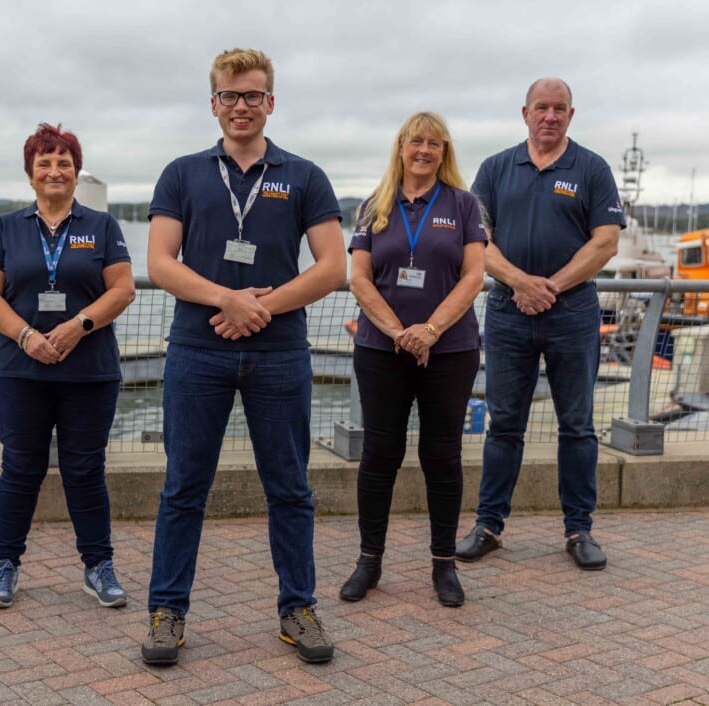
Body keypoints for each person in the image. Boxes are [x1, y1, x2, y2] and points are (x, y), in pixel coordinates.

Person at [141, 48, 346, 666]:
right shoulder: (182, 173)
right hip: (198, 351)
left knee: (289, 489)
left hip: (279, 353)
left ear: (270, 103)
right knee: (183, 487)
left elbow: (334, 267)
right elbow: (159, 263)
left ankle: (298, 609)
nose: (240, 107)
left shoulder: (304, 176)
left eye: (252, 96)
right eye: (229, 97)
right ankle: (167, 612)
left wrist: (264, 308)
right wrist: (228, 299)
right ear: (214, 104)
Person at [459, 78, 624, 571]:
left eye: (559, 108)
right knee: (504, 424)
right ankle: (488, 525)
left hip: (572, 314)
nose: (549, 116)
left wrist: (548, 286)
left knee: (577, 427)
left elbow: (606, 242)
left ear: (571, 115)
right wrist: (520, 284)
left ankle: (580, 530)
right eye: (541, 108)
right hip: (509, 314)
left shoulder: (592, 169)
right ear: (525, 113)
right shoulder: (495, 169)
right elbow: (477, 241)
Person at [0, 123, 135, 609]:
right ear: (30, 174)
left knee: (85, 470)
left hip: (88, 371)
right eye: (44, 162)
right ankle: (5, 566)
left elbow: (122, 289)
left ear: (76, 171)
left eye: (63, 161)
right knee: (20, 469)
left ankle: (98, 566)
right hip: (21, 370)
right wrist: (25, 335)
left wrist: (77, 326)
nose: (54, 170)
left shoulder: (102, 226)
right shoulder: (4, 228)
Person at [340, 112, 486, 607]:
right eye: (415, 141)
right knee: (380, 455)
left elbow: (473, 277)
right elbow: (359, 279)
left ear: (444, 153)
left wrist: (430, 330)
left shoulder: (464, 206)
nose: (424, 150)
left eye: (434, 143)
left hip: (451, 350)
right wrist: (400, 332)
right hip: (383, 350)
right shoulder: (372, 207)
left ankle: (444, 565)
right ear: (400, 147)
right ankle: (369, 561)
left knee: (441, 456)